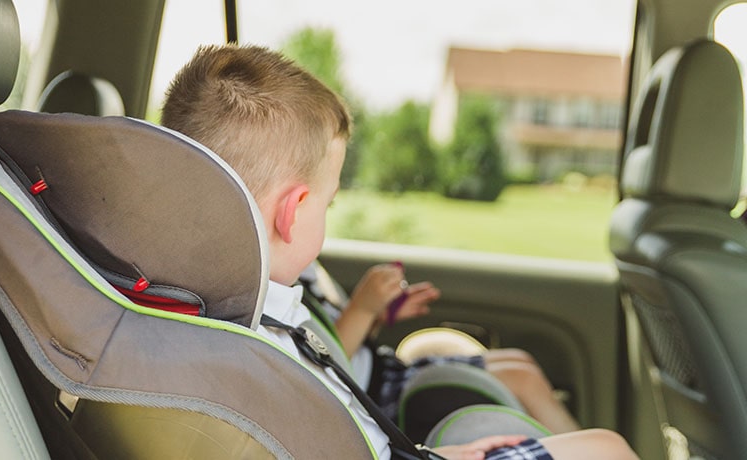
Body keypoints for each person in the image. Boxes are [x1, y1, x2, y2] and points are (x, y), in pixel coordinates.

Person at [161, 43, 639, 460]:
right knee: (607, 448)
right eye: (329, 203)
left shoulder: (206, 310)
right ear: (294, 211)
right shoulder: (264, 340)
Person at [300, 259, 581, 434]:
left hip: (384, 370)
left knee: (520, 362)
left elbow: (337, 337)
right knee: (522, 379)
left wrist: (378, 316)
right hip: (371, 398)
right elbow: (321, 361)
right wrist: (361, 308)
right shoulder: (282, 285)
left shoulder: (308, 270)